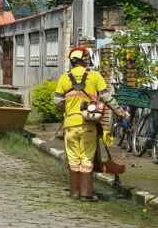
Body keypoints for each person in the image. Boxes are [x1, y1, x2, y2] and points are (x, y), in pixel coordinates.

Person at [53, 46, 124, 201]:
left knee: (73, 159)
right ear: (85, 60)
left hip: (70, 126)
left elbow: (57, 101)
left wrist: (68, 109)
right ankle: (86, 194)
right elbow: (107, 97)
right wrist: (120, 112)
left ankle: (74, 192)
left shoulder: (64, 77)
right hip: (89, 126)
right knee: (86, 159)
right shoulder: (95, 76)